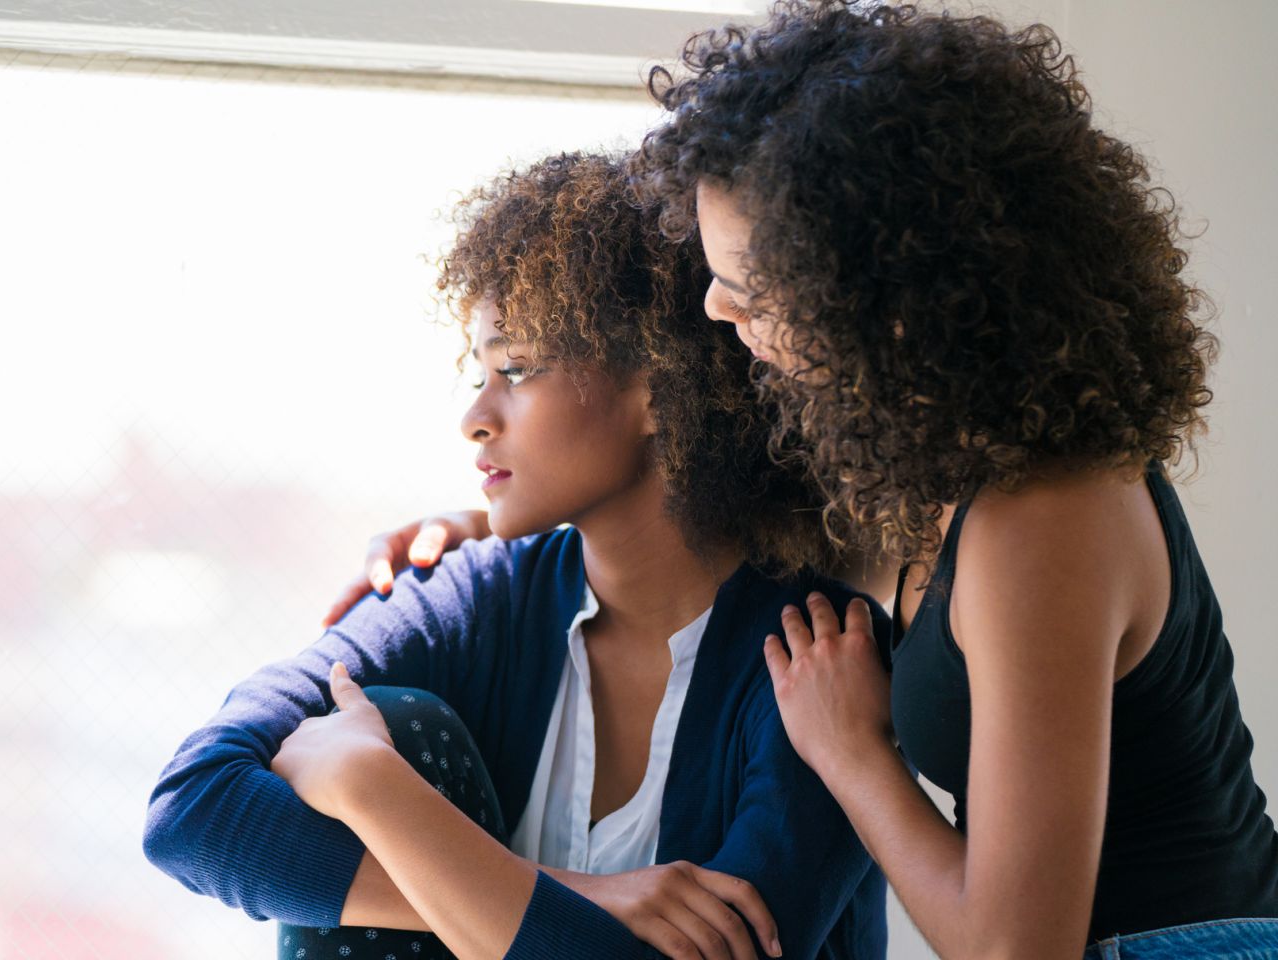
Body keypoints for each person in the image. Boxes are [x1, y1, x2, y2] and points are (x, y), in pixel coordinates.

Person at [359, 4, 1278, 957]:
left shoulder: (1042, 517)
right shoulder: (931, 475)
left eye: (750, 289)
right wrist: (488, 527)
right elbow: (694, 534)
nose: (717, 309)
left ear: (881, 301)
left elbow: (1016, 950)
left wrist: (856, 756)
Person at [143, 152, 888, 960]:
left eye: (517, 368)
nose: (474, 417)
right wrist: (584, 896)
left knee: (373, 749)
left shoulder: (825, 660)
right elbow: (192, 809)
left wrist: (378, 794)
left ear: (658, 386)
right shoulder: (471, 597)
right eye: (479, 374)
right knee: (395, 720)